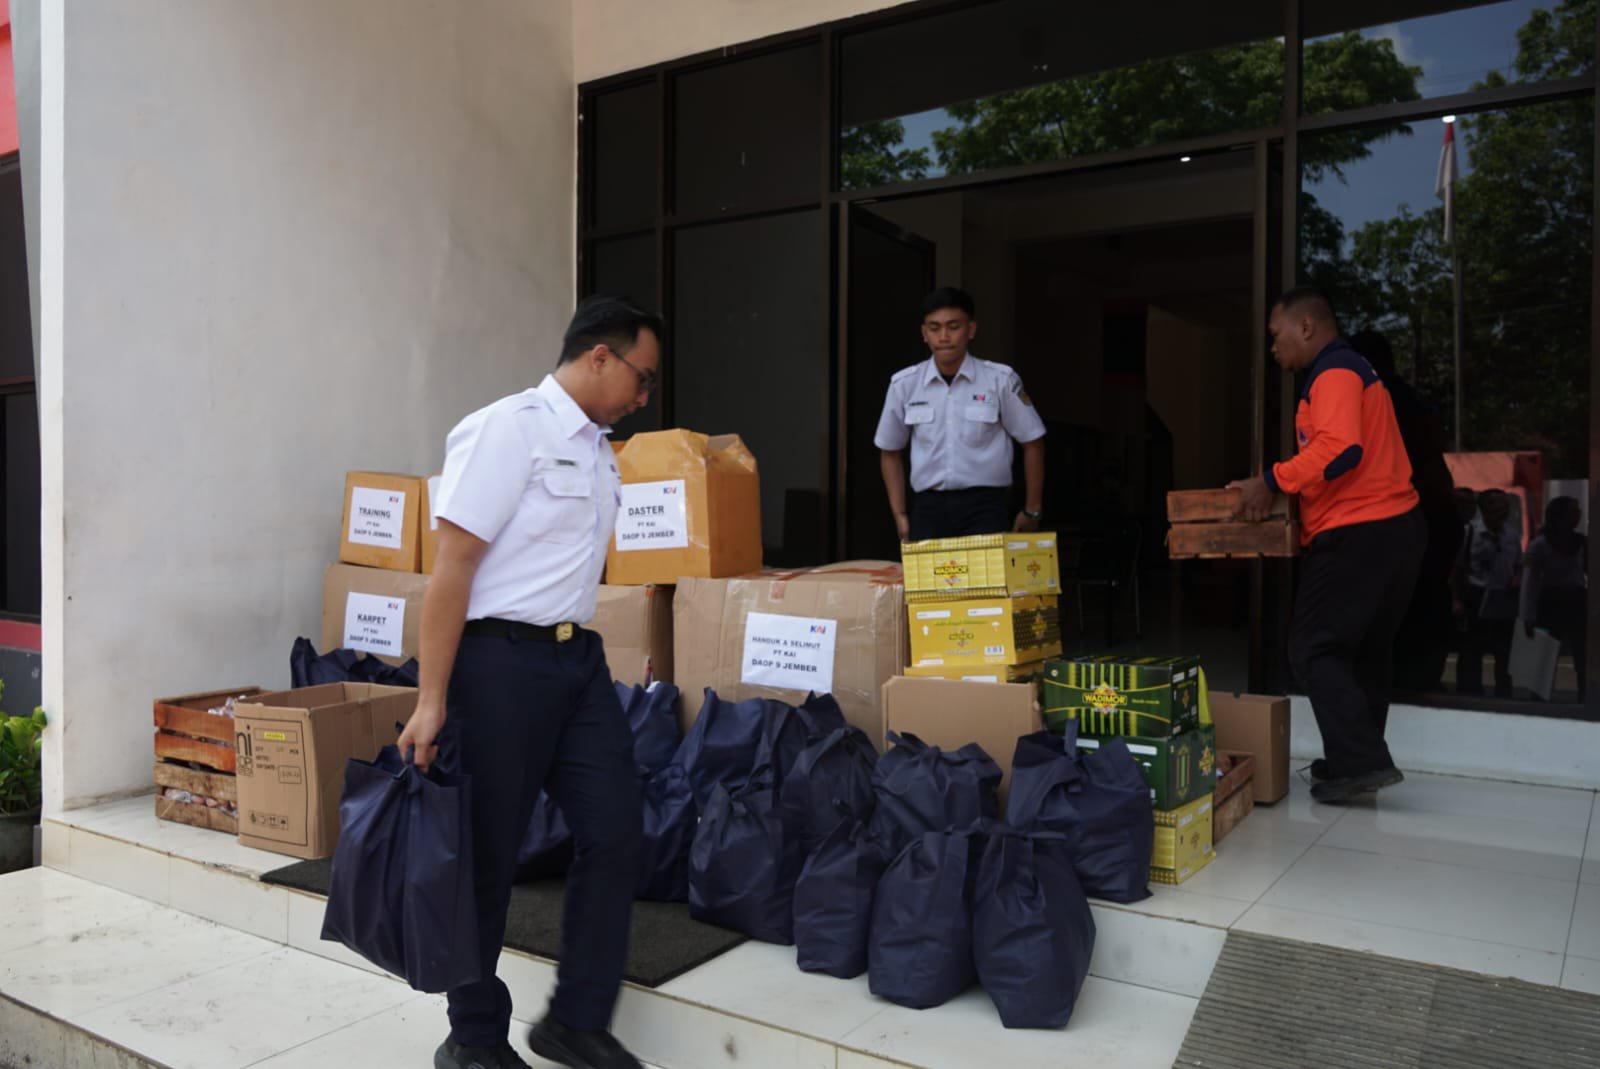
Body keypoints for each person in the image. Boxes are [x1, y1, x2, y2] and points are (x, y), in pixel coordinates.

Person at [399, 296, 662, 1069]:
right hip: (498, 666)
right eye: (642, 378)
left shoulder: (600, 451)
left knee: (616, 828)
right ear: (601, 356)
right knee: (487, 856)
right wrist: (431, 698)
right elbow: (452, 568)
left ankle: (576, 1019)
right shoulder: (508, 429)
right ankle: (474, 1037)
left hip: (576, 664)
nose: (645, 396)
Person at [1228, 286, 1424, 804]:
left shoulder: (1334, 369)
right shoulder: (1353, 370)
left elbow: (1340, 450)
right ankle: (1353, 760)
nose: (1273, 348)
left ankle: (1360, 762)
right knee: (1365, 654)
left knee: (1312, 646)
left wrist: (1269, 481)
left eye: (1276, 335)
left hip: (1360, 530)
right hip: (1395, 529)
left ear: (1307, 326)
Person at [874, 286, 1047, 541]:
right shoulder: (905, 385)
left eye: (953, 326)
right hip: (928, 510)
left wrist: (1032, 509)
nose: (944, 336)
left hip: (986, 509)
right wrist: (900, 515)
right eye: (934, 328)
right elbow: (889, 450)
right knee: (929, 571)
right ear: (924, 333)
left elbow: (1033, 441)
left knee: (986, 570)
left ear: (971, 329)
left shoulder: (1000, 380)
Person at [1347, 329, 1461, 693]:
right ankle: (1419, 678)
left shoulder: (1383, 399)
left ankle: (1409, 680)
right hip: (1432, 508)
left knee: (1403, 604)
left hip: (1412, 511)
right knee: (1422, 599)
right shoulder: (1410, 399)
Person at [1453, 488, 1521, 697]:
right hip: (1477, 594)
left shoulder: (1511, 535)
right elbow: (1458, 568)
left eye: (1505, 506)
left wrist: (1516, 578)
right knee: (1472, 648)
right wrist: (1456, 599)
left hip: (1502, 595)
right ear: (1486, 509)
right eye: (1499, 506)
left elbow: (1518, 563)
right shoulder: (1470, 533)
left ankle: (1504, 690)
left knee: (1504, 649)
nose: (1504, 511)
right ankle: (1470, 690)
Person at [1521, 495, 1587, 699]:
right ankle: (1538, 699)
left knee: (1583, 655)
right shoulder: (1540, 544)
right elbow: (1529, 582)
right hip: (1549, 602)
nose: (1578, 515)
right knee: (1544, 655)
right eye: (1573, 511)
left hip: (1576, 601)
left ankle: (1586, 695)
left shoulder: (1581, 542)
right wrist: (1527, 615)